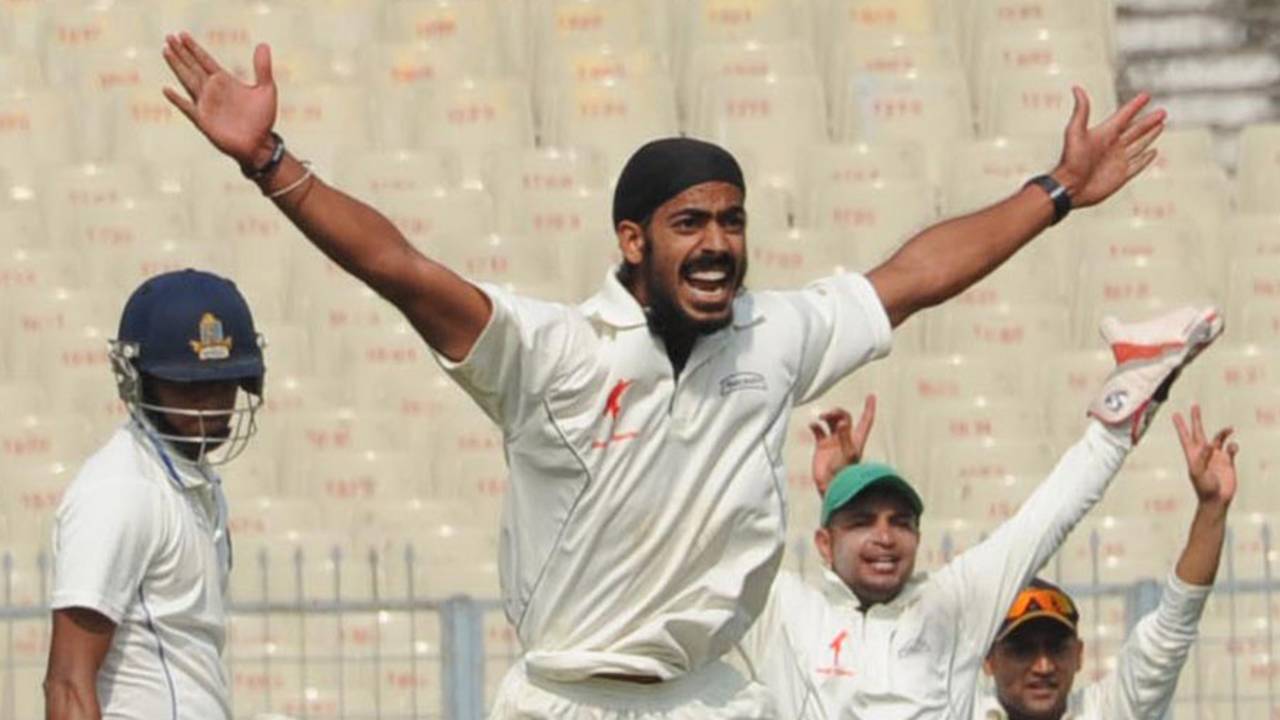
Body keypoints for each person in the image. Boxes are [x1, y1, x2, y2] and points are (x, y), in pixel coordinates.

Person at [160, 30, 1165, 717]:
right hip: (564, 696)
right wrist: (270, 162)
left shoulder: (772, 335)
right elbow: (401, 268)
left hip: (707, 696)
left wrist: (1056, 191)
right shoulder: (551, 353)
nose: (718, 241)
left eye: (731, 219)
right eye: (690, 222)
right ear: (631, 238)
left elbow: (911, 277)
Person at [740, 307, 1224, 719]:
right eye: (863, 521)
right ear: (824, 544)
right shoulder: (784, 608)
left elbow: (1049, 515)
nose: (886, 537)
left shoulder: (952, 605)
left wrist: (1129, 400)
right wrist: (837, 492)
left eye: (901, 522)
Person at [43, 270, 265, 720]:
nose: (211, 405)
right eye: (189, 385)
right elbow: (67, 680)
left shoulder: (195, 483)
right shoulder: (121, 489)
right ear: (137, 379)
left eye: (224, 383)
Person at [975, 405, 1238, 720]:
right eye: (1023, 649)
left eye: (1057, 648)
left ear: (1079, 655)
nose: (1043, 666)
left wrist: (1211, 509)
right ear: (988, 660)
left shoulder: (1105, 711)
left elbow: (1173, 626)